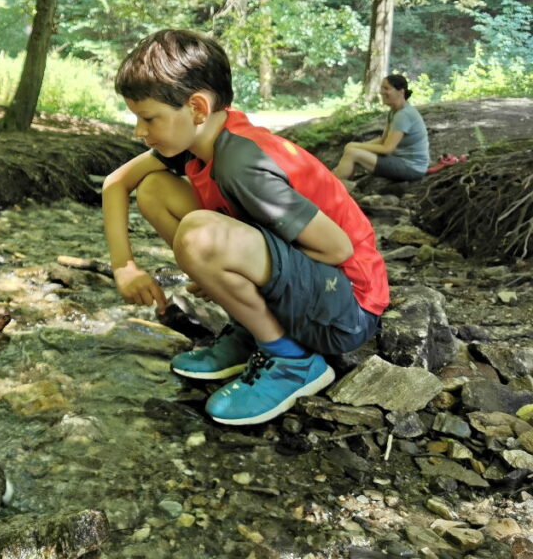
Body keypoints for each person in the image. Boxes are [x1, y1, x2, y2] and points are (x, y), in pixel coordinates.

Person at [102, 29, 388, 426]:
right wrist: (124, 266)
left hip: (345, 311)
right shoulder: (197, 143)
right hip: (309, 289)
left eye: (149, 118)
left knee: (199, 234)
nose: (139, 131)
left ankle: (292, 362)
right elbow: (117, 183)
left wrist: (233, 267)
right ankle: (252, 330)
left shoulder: (242, 164)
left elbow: (338, 249)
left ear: (198, 108)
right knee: (153, 190)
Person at [332, 75, 429, 183]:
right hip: (402, 162)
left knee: (352, 153)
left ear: (401, 92)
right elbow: (383, 140)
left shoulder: (403, 115)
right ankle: (343, 184)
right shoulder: (394, 112)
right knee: (351, 150)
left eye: (386, 88)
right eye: (382, 88)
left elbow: (387, 149)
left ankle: (332, 187)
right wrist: (356, 146)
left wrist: (354, 146)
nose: (382, 92)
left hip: (412, 168)